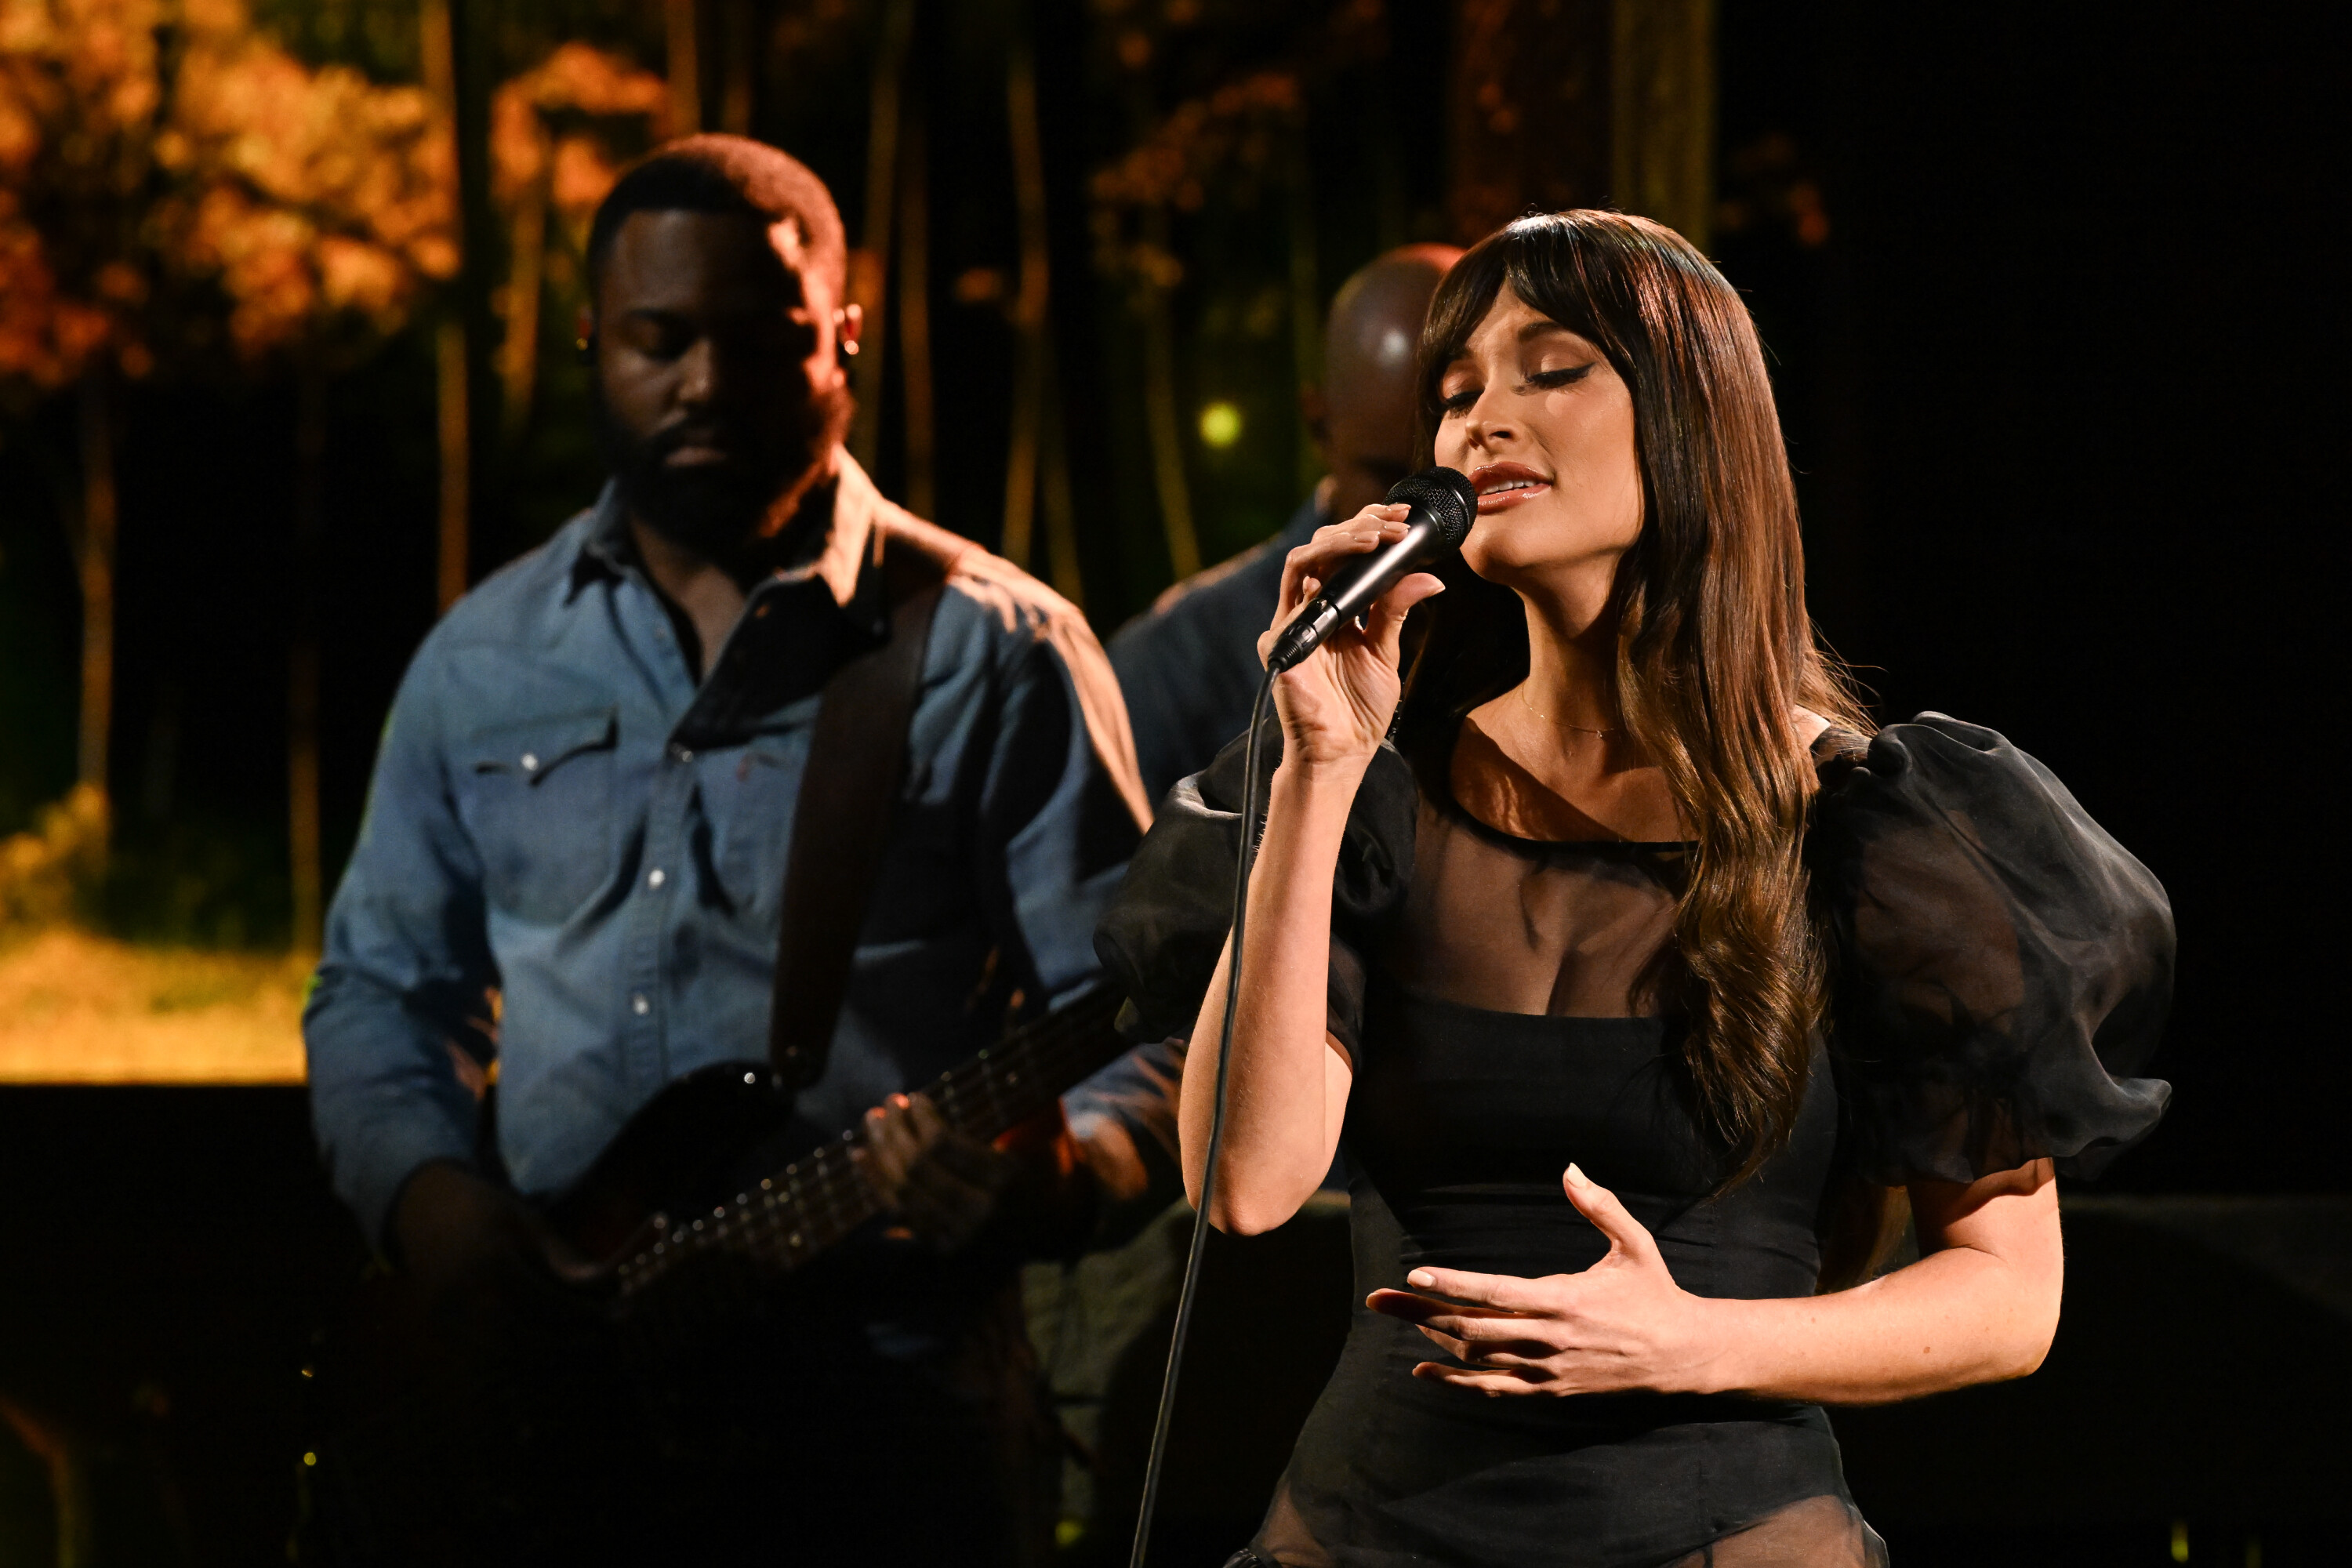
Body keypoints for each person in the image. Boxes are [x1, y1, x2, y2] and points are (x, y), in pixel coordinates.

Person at [1097, 211, 2174, 1566]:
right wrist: (1318, 764)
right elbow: (1243, 1185)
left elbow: (2009, 1302)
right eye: (1457, 393)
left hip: (1718, 1527)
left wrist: (1690, 1342)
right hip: (1366, 1529)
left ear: (1690, 424)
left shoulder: (1873, 829)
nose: (1483, 419)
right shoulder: (1374, 800)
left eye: (1551, 370)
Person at [305, 136, 1164, 1566]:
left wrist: (1080, 1176)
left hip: (884, 1414)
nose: (703, 382)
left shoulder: (998, 653)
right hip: (555, 1410)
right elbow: (382, 991)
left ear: (841, 339)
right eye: (659, 340)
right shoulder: (482, 657)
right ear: (594, 342)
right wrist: (436, 1207)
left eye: (756, 340)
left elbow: (1159, 1010)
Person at [1110, 244, 1460, 805]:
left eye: (1454, 489)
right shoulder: (1173, 663)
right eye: (1392, 479)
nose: (1427, 523)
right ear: (1319, 426)